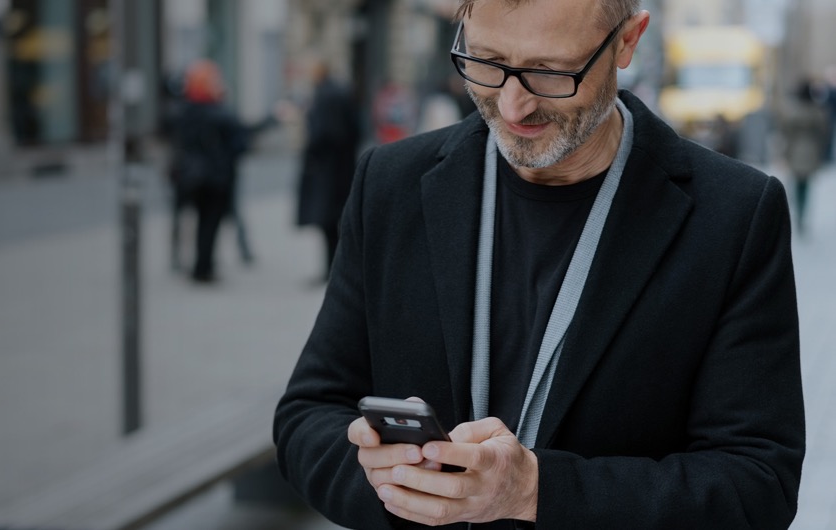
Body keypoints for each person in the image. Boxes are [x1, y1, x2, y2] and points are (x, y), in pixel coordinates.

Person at [274, 1, 805, 528]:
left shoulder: (735, 214)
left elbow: (758, 484)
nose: (512, 106)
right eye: (485, 62)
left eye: (549, 72)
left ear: (628, 40)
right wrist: (391, 483)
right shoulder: (389, 184)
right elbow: (307, 414)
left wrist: (535, 491)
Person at [167, 60, 270, 282]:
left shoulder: (183, 113)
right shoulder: (220, 113)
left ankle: (193, 264)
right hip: (216, 177)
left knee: (194, 220)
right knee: (210, 224)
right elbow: (241, 139)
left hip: (189, 176)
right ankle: (203, 268)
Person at [295, 59, 361, 282]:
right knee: (336, 219)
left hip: (328, 169)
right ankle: (335, 269)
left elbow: (323, 133)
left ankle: (333, 269)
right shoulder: (340, 92)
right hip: (342, 166)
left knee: (329, 221)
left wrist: (311, 149)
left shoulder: (325, 95)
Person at [778, 78, 829, 234]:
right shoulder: (817, 111)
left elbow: (786, 133)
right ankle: (802, 214)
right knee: (806, 186)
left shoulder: (792, 111)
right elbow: (823, 133)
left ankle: (798, 213)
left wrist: (784, 153)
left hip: (794, 150)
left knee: (796, 183)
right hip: (811, 151)